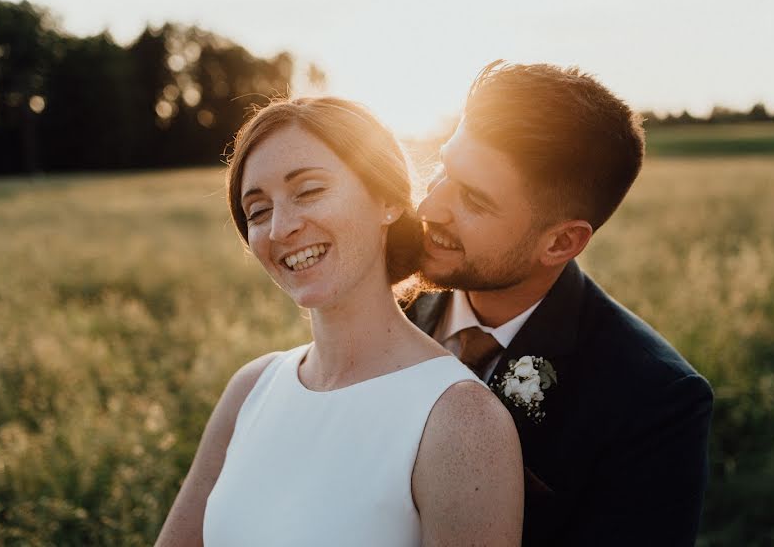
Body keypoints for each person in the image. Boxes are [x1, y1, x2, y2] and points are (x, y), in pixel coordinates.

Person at [155, 97, 524, 546]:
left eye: (309, 190)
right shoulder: (251, 389)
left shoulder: (461, 420)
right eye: (258, 211)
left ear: (386, 199)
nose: (280, 229)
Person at [406, 61, 714, 546]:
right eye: (444, 169)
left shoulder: (654, 402)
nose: (428, 208)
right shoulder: (385, 306)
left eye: (474, 199)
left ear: (561, 243)